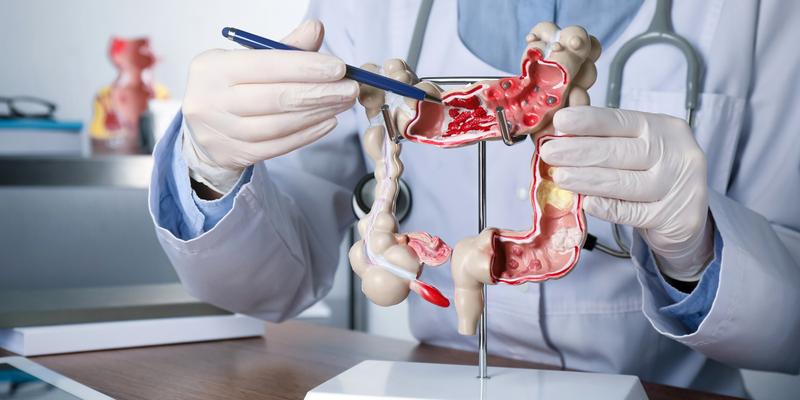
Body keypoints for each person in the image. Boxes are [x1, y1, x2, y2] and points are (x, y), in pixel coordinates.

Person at [148, 1, 800, 397]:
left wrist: (697, 249)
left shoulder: (765, 13)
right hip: (431, 379)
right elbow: (271, 280)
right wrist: (212, 164)